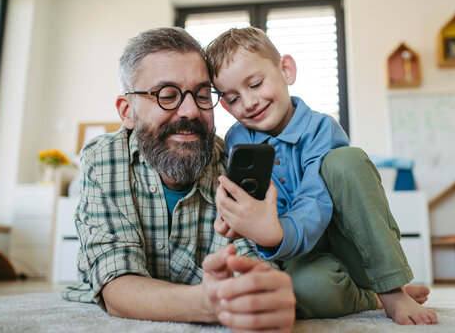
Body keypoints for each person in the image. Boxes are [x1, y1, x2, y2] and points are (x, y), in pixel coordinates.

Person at [62, 27, 296, 332]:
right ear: (127, 112)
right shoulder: (103, 159)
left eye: (201, 95)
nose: (190, 110)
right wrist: (209, 303)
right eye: (167, 95)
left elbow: (250, 264)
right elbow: (116, 284)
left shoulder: (231, 164)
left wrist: (260, 292)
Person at [205, 27, 438, 325]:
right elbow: (249, 198)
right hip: (303, 259)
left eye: (256, 84)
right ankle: (372, 299)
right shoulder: (237, 140)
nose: (249, 102)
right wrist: (237, 219)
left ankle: (391, 290)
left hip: (352, 247)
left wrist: (275, 232)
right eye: (233, 98)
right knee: (303, 291)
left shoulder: (321, 129)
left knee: (346, 161)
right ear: (224, 105)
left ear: (286, 70)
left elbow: (314, 200)